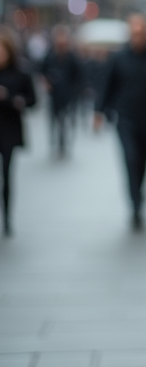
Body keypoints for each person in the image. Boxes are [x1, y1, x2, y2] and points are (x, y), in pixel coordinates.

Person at [94, 14, 146, 230]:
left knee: (144, 161)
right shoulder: (118, 58)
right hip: (126, 118)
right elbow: (107, 86)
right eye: (135, 33)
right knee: (131, 159)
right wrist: (98, 112)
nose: (138, 37)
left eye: (141, 33)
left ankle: (140, 194)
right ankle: (135, 203)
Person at [0, 33, 37, 236]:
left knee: (6, 174)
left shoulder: (20, 73)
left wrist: (13, 99)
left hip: (9, 130)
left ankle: (7, 216)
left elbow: (32, 100)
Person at [39, 25, 82, 159]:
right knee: (53, 119)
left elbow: (79, 75)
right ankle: (55, 142)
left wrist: (75, 91)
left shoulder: (72, 57)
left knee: (64, 120)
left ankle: (62, 144)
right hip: (54, 94)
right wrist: (45, 82)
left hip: (67, 95)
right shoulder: (50, 56)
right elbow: (41, 71)